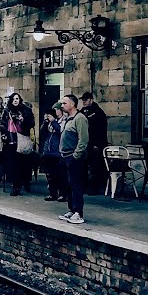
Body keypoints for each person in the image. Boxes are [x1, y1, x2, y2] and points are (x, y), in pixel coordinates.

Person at [59, 94, 90, 225]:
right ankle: (72, 209)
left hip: (73, 157)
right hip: (65, 156)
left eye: (64, 103)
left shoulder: (80, 118)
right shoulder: (68, 119)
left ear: (72, 104)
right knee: (69, 184)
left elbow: (83, 140)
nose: (62, 106)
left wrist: (76, 156)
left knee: (76, 184)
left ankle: (78, 212)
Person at [1, 92, 35, 196]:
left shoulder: (25, 110)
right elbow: (2, 124)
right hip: (11, 141)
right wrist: (3, 134)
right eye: (14, 99)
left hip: (22, 139)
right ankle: (15, 186)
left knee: (24, 164)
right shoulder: (7, 111)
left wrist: (23, 120)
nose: (15, 101)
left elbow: (31, 124)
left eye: (17, 99)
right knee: (13, 165)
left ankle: (26, 182)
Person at [80, 91, 109, 194]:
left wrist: (98, 144)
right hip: (85, 143)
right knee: (84, 166)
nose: (84, 102)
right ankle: (85, 186)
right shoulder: (83, 111)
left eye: (86, 100)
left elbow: (101, 130)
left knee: (94, 167)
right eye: (83, 100)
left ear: (91, 99)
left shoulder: (98, 112)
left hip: (95, 144)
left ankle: (93, 187)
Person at [40, 107, 66, 203]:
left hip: (57, 152)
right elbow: (42, 133)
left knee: (60, 175)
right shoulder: (49, 123)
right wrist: (45, 122)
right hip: (48, 152)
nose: (56, 112)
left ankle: (63, 194)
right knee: (49, 175)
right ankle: (52, 193)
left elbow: (60, 132)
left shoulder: (64, 121)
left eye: (57, 109)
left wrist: (54, 122)